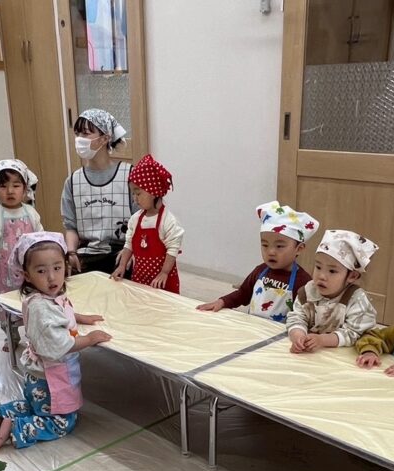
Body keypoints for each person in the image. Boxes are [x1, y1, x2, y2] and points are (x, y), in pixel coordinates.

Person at [0, 232, 110, 450]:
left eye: (57, 268)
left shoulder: (46, 297)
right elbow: (59, 345)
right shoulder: (41, 307)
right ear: (27, 275)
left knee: (37, 407)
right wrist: (89, 339)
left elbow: (60, 313)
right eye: (41, 271)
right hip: (50, 377)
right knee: (63, 421)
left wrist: (80, 318)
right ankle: (15, 428)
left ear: (65, 267)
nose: (51, 277)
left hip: (40, 376)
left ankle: (0, 412)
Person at [196, 201, 318, 323]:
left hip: (280, 333)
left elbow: (307, 316)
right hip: (253, 328)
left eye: (279, 246)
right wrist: (222, 301)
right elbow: (243, 294)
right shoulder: (260, 271)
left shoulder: (303, 282)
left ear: (299, 249)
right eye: (265, 245)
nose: (271, 252)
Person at [61, 108, 138, 274]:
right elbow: (71, 227)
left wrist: (133, 251)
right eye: (77, 134)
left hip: (122, 253)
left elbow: (141, 220)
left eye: (85, 133)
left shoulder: (129, 175)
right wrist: (71, 253)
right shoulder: (72, 181)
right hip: (87, 255)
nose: (79, 139)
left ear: (105, 138)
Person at [0, 159, 43, 350]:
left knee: (32, 303)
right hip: (3, 274)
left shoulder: (31, 213)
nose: (10, 191)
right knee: (6, 305)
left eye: (16, 185)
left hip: (29, 272)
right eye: (3, 186)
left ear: (25, 188)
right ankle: (11, 335)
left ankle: (34, 336)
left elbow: (41, 238)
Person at [286, 229, 378, 353]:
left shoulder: (357, 300)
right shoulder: (307, 292)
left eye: (332, 271)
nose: (321, 276)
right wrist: (299, 337)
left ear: (352, 276)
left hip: (346, 354)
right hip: (313, 353)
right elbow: (296, 318)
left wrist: (322, 340)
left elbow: (354, 333)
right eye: (318, 267)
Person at [110, 153, 183, 293]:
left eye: (138, 193)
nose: (134, 199)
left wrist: (164, 273)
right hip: (140, 279)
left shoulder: (168, 221)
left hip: (163, 282)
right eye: (133, 194)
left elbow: (172, 250)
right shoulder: (135, 219)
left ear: (154, 191)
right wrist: (122, 265)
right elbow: (129, 244)